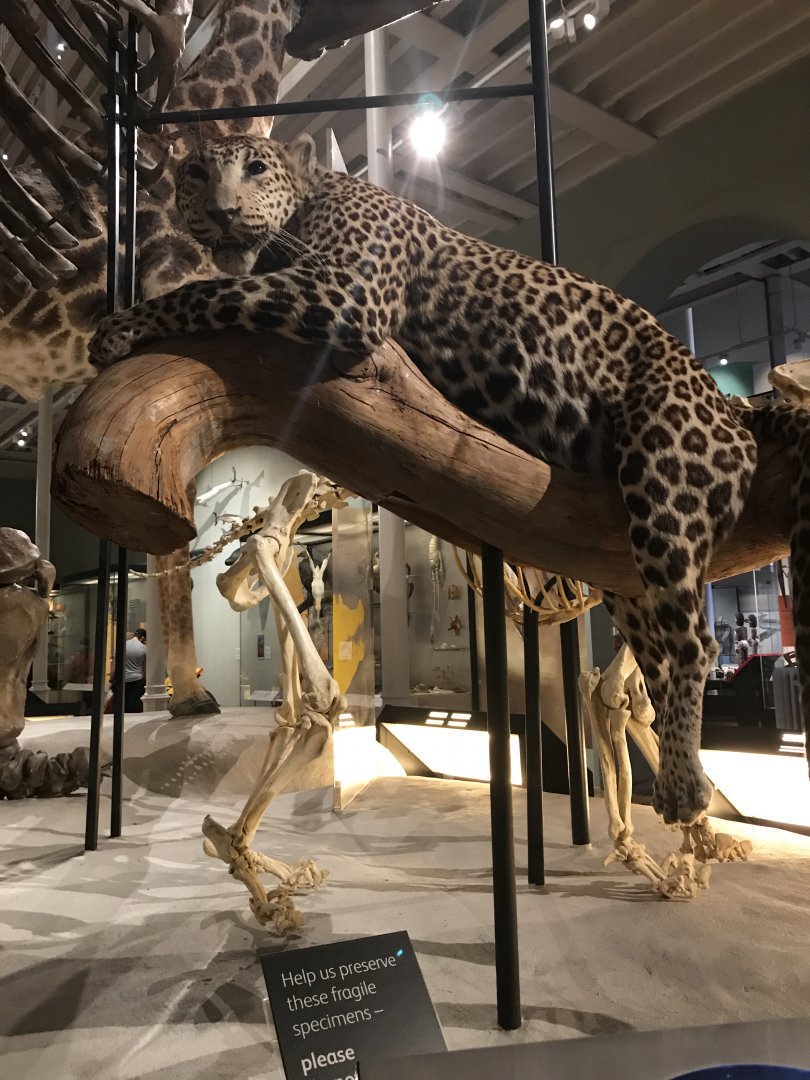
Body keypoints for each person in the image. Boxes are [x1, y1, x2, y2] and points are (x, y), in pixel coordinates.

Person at [123, 628, 147, 713]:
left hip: (124, 679)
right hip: (137, 679)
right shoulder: (144, 648)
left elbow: (115, 665)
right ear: (143, 638)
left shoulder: (123, 645)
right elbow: (145, 667)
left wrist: (112, 679)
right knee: (134, 705)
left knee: (124, 704)